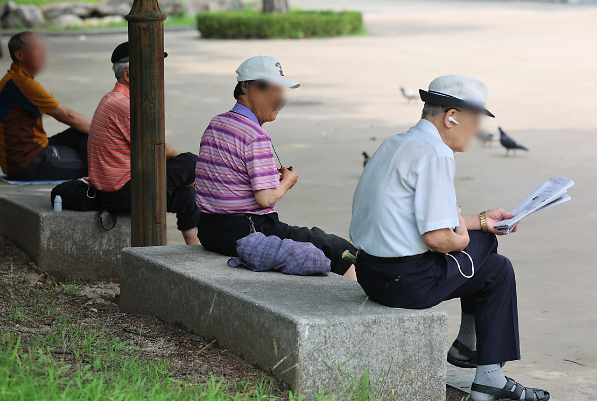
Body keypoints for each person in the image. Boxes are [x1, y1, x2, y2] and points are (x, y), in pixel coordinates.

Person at [350, 75, 551, 401]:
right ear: (451, 116)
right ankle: (468, 352)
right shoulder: (436, 153)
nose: (475, 131)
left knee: (497, 269)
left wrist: (482, 221)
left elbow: (425, 219)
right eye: (473, 122)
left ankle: (486, 374)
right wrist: (466, 239)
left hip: (371, 272)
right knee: (485, 246)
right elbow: (439, 238)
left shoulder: (398, 143)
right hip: (405, 282)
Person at [195, 56, 357, 279]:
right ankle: (354, 311)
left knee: (320, 239)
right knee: (336, 248)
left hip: (210, 230)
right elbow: (265, 198)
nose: (282, 99)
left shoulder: (217, 123)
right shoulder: (255, 135)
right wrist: (287, 182)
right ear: (254, 89)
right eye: (277, 90)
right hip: (246, 231)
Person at [86, 42, 200, 245]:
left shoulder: (117, 99)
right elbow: (160, 149)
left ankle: (195, 247)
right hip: (120, 194)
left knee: (187, 195)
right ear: (128, 75)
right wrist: (190, 170)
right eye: (151, 68)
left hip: (126, 187)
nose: (157, 74)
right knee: (191, 163)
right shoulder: (122, 105)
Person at [0, 31, 91, 181]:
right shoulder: (22, 83)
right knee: (98, 163)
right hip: (27, 164)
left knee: (84, 133)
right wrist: (109, 133)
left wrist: (101, 132)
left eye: (43, 49)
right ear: (20, 56)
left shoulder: (16, 78)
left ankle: (92, 161)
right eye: (37, 50)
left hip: (37, 147)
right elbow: (68, 116)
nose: (44, 55)